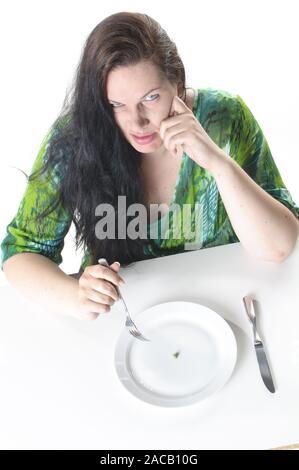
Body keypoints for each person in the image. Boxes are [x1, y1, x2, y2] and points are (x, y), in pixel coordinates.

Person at [1, 11, 298, 321]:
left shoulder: (224, 117)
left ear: (178, 84)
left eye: (151, 97)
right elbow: (21, 251)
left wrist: (217, 163)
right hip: (130, 322)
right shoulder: (76, 139)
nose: (137, 122)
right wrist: (77, 296)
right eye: (116, 104)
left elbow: (279, 248)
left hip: (228, 311)